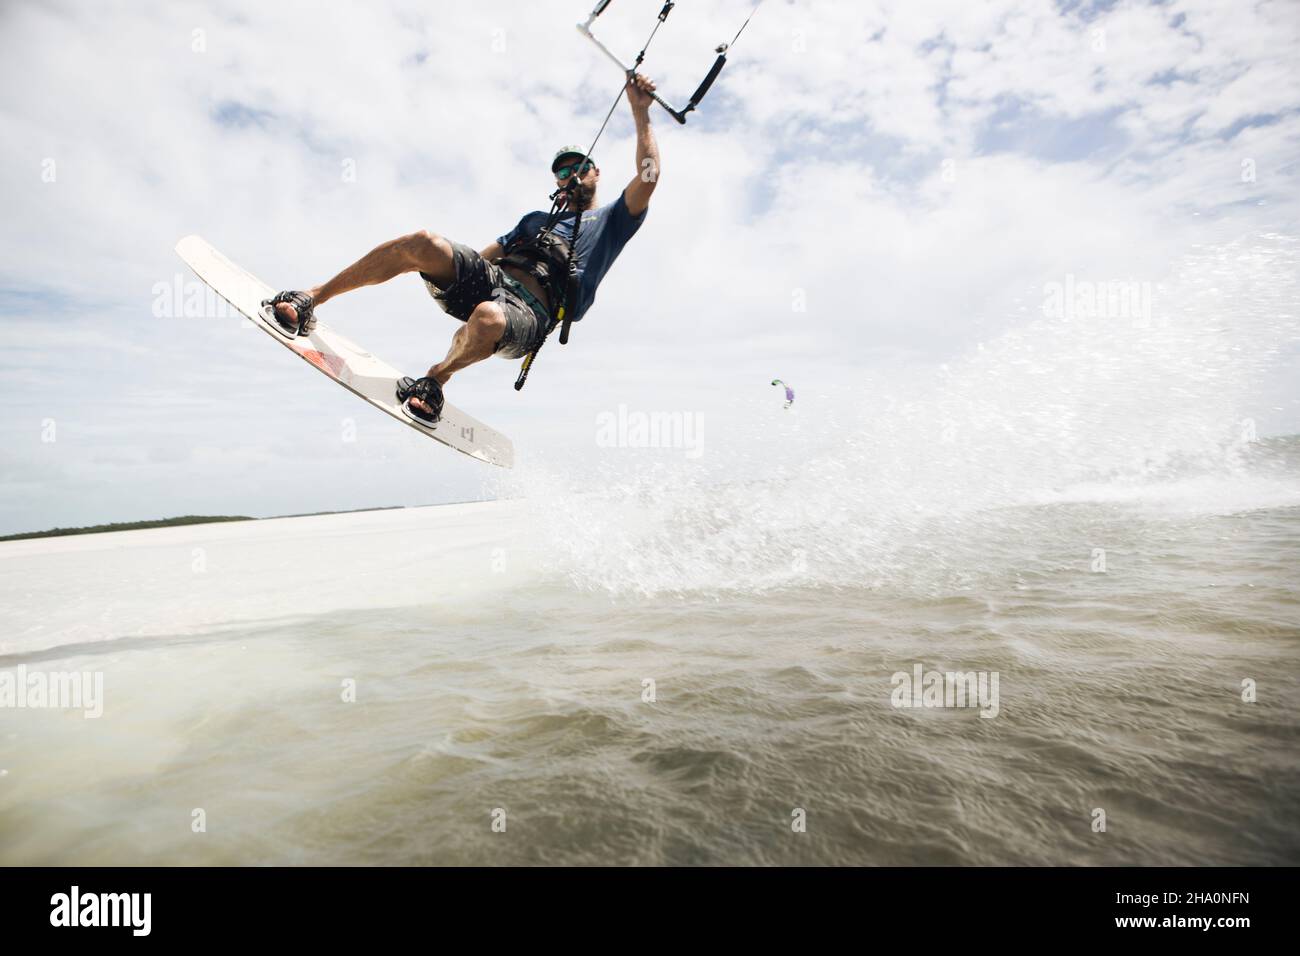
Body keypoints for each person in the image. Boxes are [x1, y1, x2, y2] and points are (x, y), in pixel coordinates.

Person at [263, 74, 661, 424]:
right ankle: (313, 298)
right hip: (493, 282)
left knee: (487, 319)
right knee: (422, 243)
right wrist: (436, 269)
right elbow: (485, 256)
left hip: (530, 316)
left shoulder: (611, 222)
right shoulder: (535, 219)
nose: (570, 173)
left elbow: (649, 174)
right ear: (555, 181)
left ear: (596, 172)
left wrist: (640, 112)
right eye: (562, 170)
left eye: (580, 166)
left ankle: (436, 378)